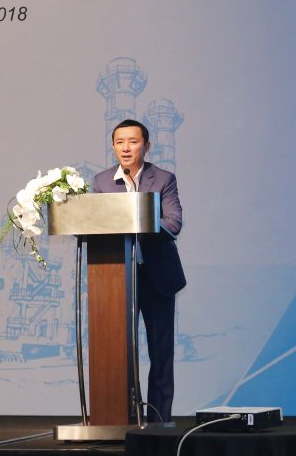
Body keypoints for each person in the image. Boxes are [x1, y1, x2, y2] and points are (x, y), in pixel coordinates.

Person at [92, 119, 185, 422]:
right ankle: (129, 417)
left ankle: (159, 420)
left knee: (160, 353)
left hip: (157, 276)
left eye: (133, 141)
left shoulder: (164, 179)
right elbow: (96, 223)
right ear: (113, 146)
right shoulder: (102, 182)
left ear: (146, 146)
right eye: (120, 142)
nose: (126, 148)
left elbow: (173, 222)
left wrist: (138, 218)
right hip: (117, 279)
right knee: (121, 353)